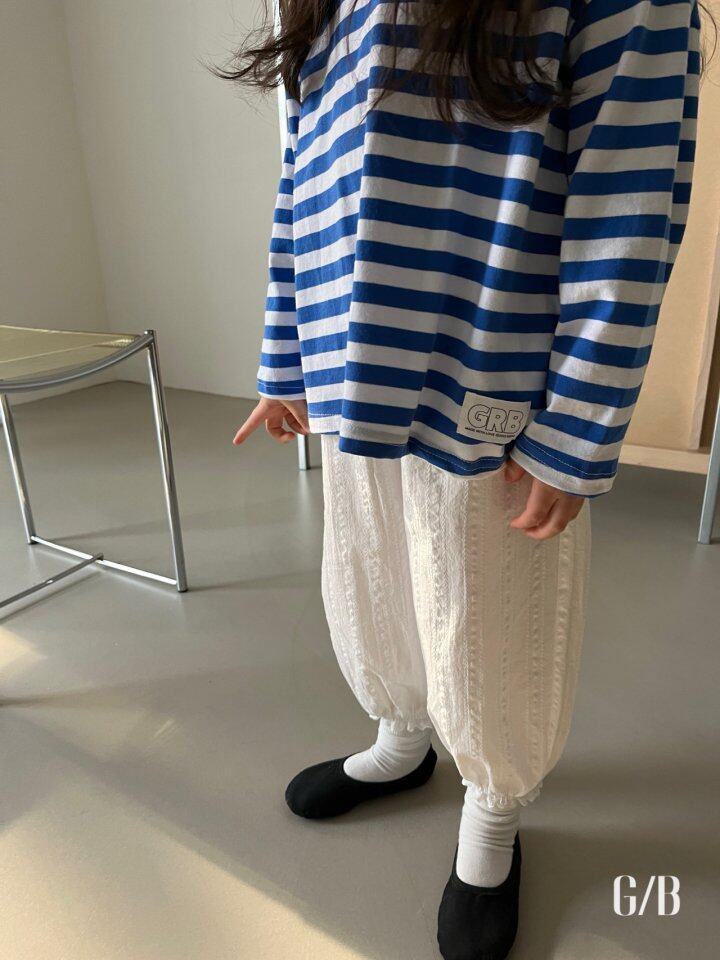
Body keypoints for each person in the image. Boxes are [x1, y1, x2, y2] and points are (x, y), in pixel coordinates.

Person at [223, 0, 702, 956]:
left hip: (493, 374)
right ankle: (402, 739)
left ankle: (493, 806)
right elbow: (303, 178)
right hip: (349, 366)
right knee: (372, 572)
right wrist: (287, 357)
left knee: (490, 610)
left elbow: (628, 202)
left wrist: (576, 426)